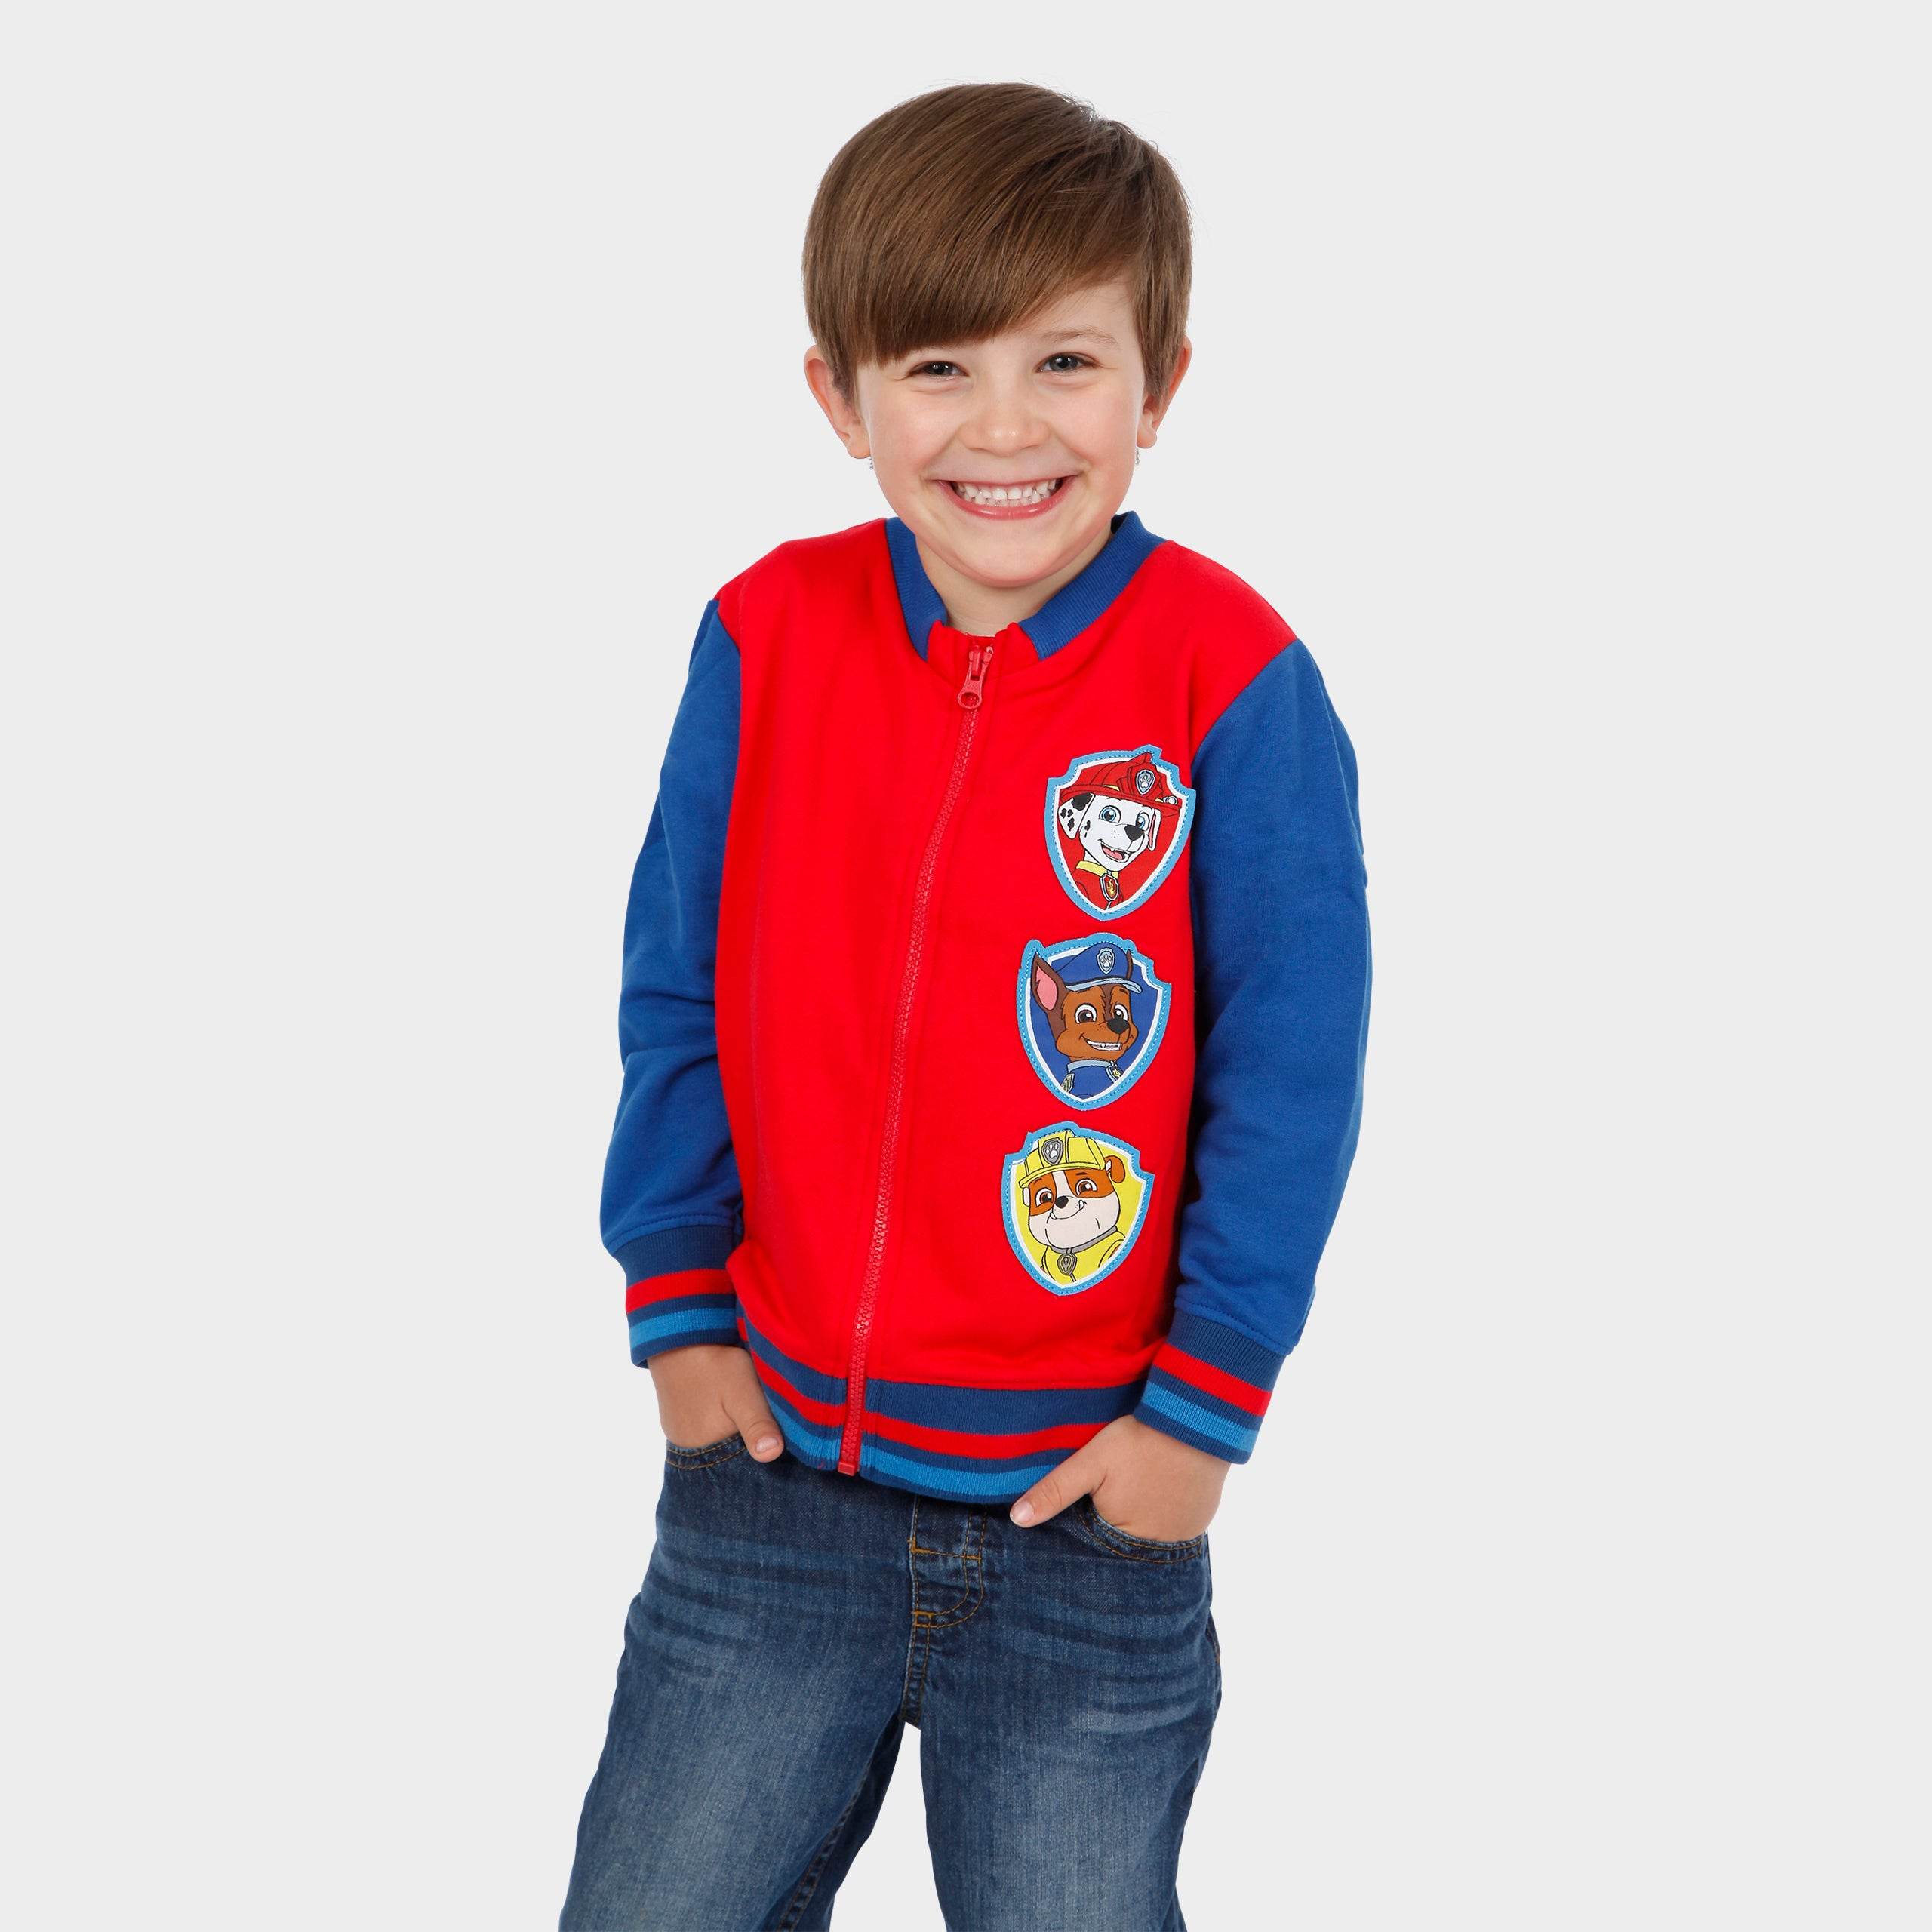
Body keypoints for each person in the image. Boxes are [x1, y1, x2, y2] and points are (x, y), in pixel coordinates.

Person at [559, 80, 1372, 1932]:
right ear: (839, 397)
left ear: (1158, 385)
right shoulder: (765, 634)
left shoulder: (1232, 677)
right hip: (770, 1488)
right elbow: (672, 979)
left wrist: (1197, 1418)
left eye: (1064, 361)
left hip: (1085, 1516)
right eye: (937, 367)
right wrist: (676, 1300)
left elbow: (1288, 1070)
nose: (1003, 428)